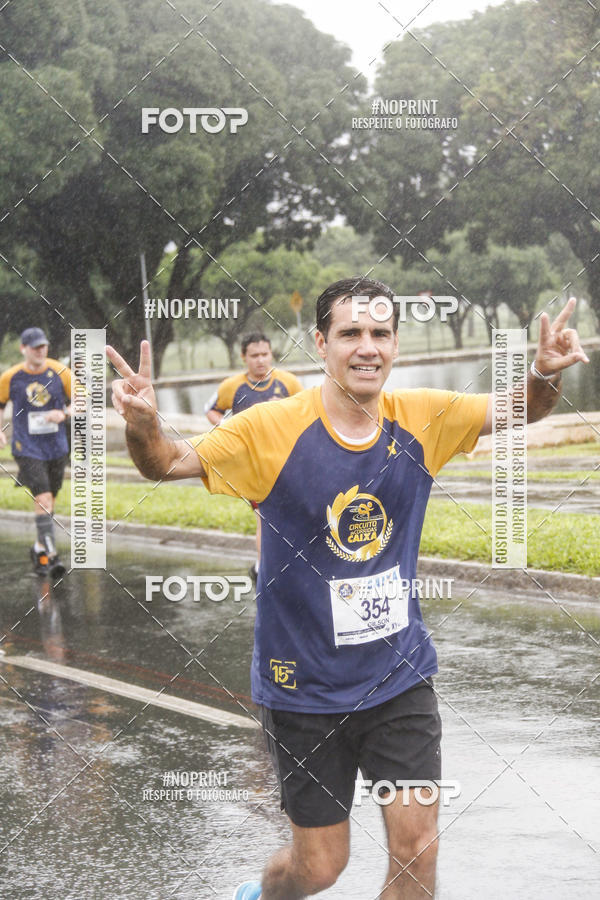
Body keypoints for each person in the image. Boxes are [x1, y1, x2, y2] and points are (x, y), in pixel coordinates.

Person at [107, 279, 587, 899]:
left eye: (380, 333)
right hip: (302, 687)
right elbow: (167, 461)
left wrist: (544, 374)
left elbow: (521, 408)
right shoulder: (269, 429)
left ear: (396, 345)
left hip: (398, 676)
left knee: (418, 849)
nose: (367, 347)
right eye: (350, 333)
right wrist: (142, 425)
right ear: (320, 343)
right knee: (318, 868)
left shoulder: (424, 417)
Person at [205, 332, 303, 580]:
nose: (260, 360)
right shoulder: (232, 386)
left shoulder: (289, 383)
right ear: (244, 357)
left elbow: (306, 412)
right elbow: (211, 410)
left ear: (271, 354)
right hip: (253, 465)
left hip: (287, 462)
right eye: (254, 355)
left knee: (291, 513)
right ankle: (262, 569)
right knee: (264, 515)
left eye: (265, 354)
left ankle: (288, 565)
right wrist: (230, 428)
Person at [0, 327, 71, 577]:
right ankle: (51, 555)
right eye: (35, 347)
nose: (41, 351)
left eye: (43, 346)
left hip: (57, 447)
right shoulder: (11, 377)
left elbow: (82, 402)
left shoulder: (61, 372)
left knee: (50, 499)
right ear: (23, 349)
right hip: (26, 447)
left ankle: (39, 549)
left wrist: (64, 413)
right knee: (43, 498)